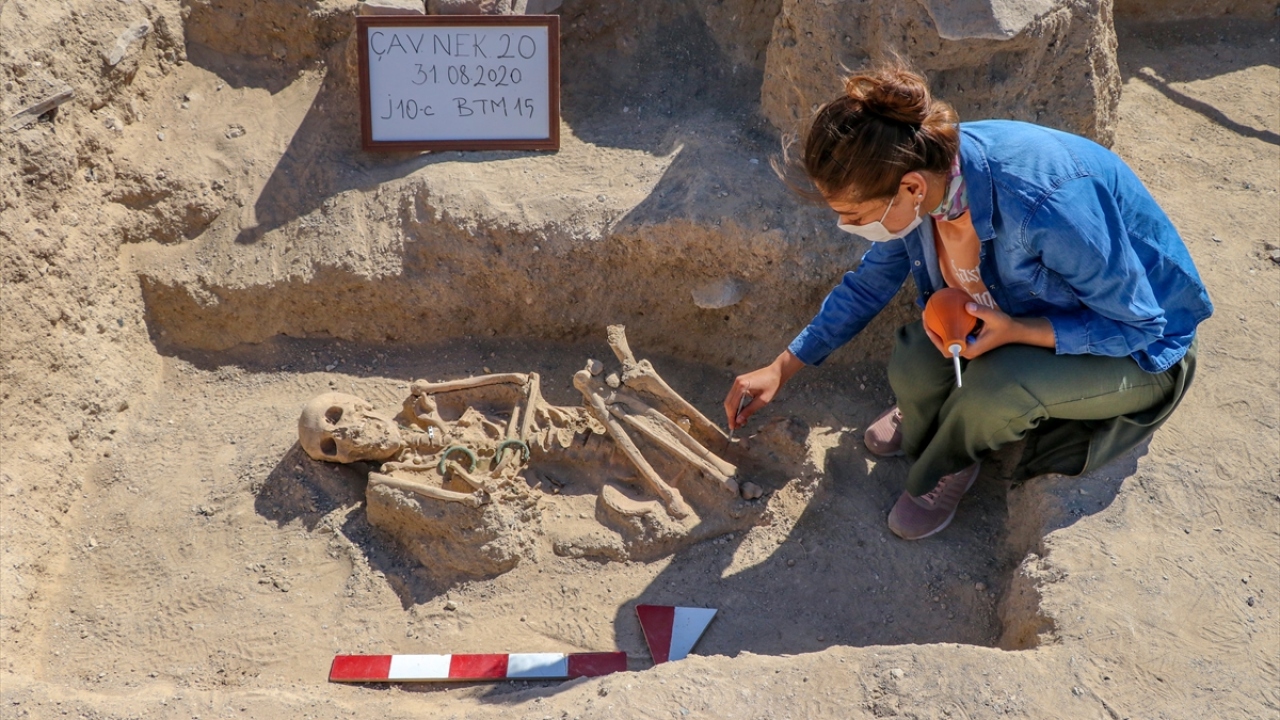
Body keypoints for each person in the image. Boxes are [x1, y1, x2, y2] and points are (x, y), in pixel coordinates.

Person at [723, 66, 1212, 540]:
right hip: (1015, 310)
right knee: (914, 360)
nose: (848, 226)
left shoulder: (1046, 205)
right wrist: (782, 367)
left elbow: (1140, 326)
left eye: (855, 215)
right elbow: (869, 284)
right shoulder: (919, 170)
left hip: (1139, 349)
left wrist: (1018, 332)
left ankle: (948, 463)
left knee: (997, 387)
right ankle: (933, 421)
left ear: (911, 188)